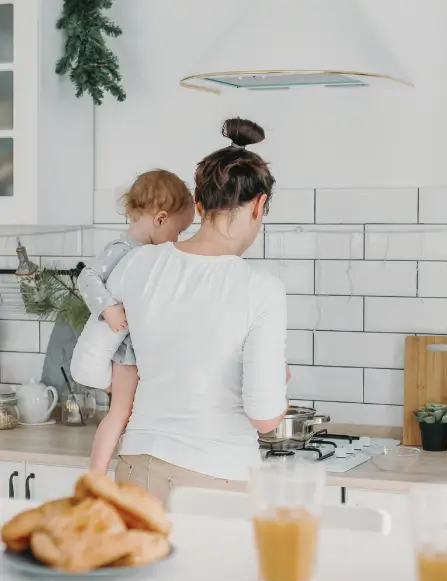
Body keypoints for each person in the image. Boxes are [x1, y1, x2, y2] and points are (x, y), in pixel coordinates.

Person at [72, 117, 288, 504]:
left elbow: (86, 366)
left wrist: (155, 380)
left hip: (137, 468)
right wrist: (280, 382)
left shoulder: (138, 264)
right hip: (218, 477)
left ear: (200, 204)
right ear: (259, 205)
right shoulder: (261, 289)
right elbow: (265, 417)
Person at [73, 169, 194, 473]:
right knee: (120, 413)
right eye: (178, 231)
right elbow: (87, 277)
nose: (177, 240)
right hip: (128, 352)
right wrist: (108, 308)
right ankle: (96, 474)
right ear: (161, 218)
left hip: (146, 350)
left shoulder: (153, 255)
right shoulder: (123, 249)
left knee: (136, 414)